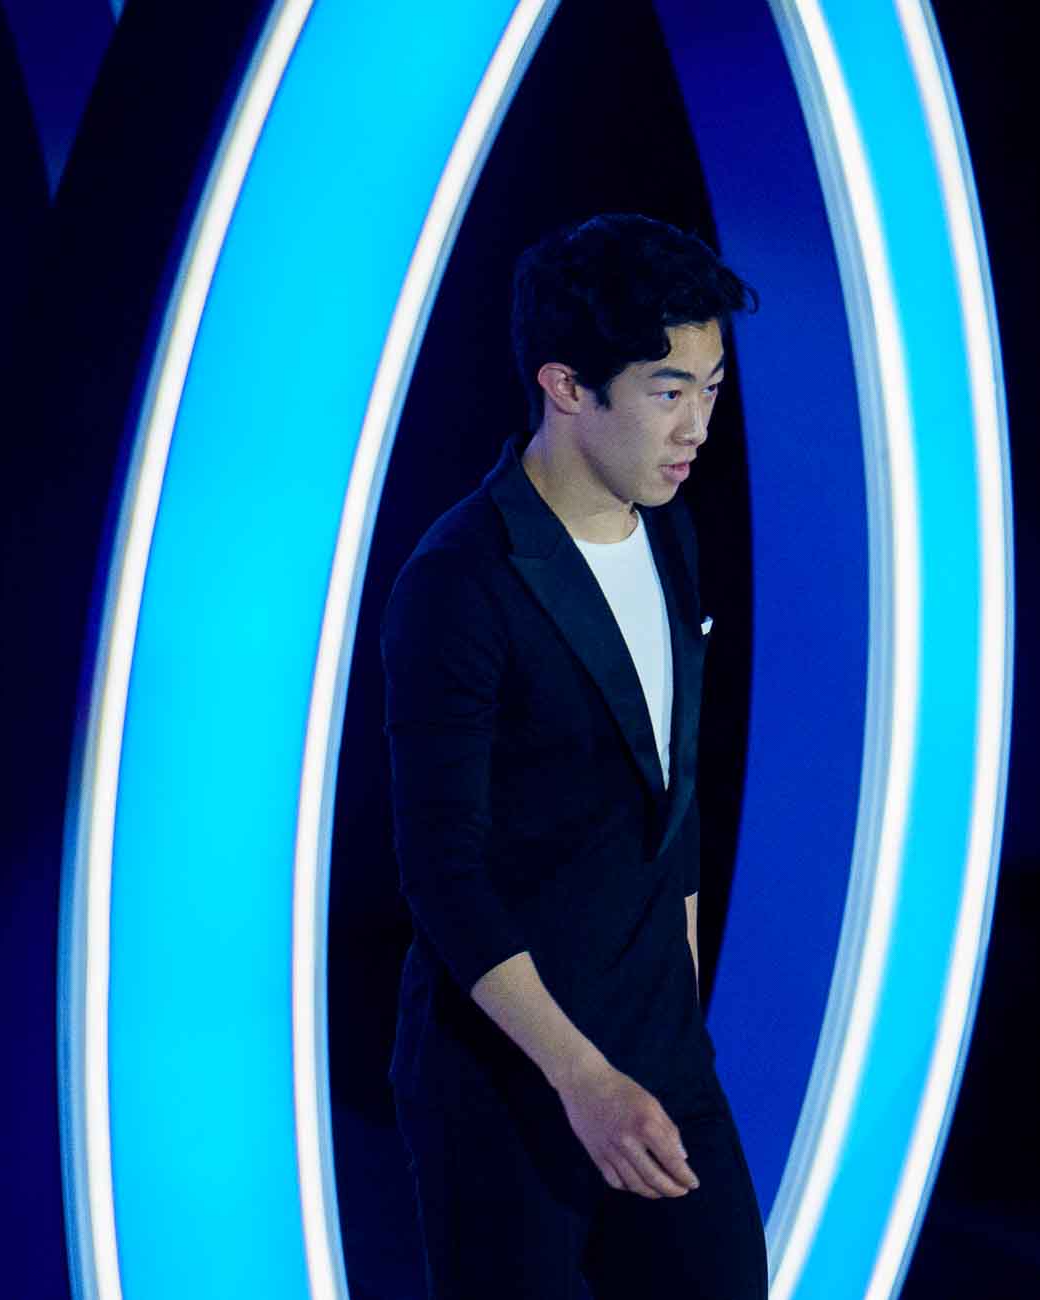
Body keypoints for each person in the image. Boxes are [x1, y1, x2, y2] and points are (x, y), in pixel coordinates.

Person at [380, 213, 765, 1299]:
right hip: (507, 1083)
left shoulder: (675, 530)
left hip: (659, 1060)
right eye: (666, 390)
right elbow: (442, 874)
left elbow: (669, 804)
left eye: (712, 387)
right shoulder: (460, 581)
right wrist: (581, 1077)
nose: (696, 426)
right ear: (565, 385)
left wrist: (673, 1036)